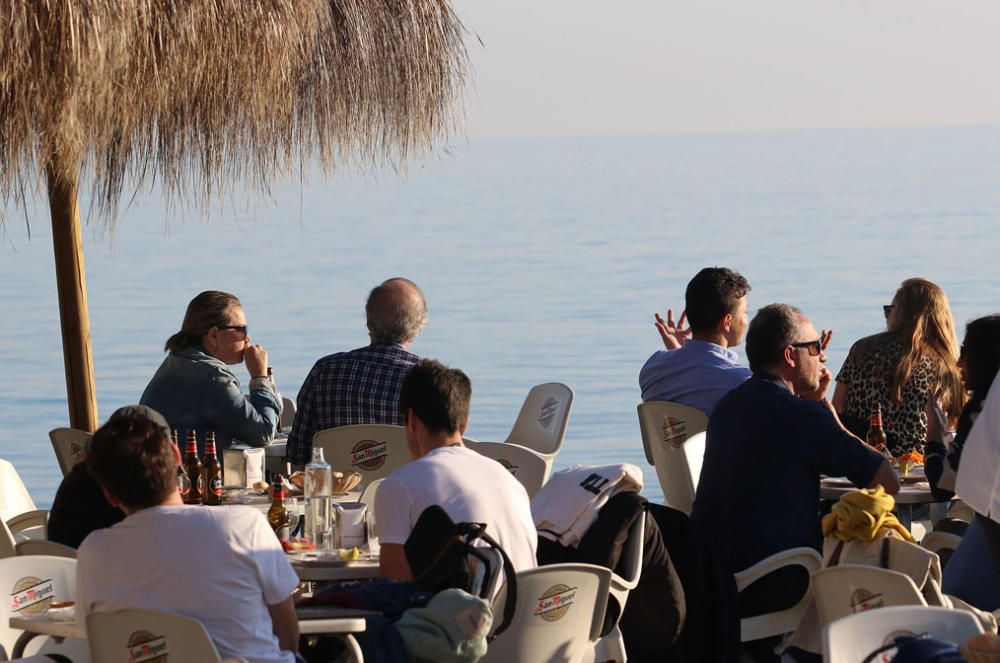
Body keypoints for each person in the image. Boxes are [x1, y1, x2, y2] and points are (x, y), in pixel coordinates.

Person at [691, 303, 898, 658]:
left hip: (711, 576)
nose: (821, 358)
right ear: (790, 355)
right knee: (874, 538)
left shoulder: (729, 406)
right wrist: (825, 407)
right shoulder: (802, 416)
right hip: (773, 580)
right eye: (815, 348)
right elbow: (887, 479)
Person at [76, 405, 301, 663]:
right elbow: (288, 634)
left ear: (110, 495)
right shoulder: (243, 526)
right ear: (176, 455)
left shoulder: (94, 551)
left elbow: (92, 637)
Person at [375, 359, 538, 581]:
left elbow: (392, 587)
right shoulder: (509, 480)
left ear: (411, 419)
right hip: (525, 612)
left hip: (469, 615)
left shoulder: (400, 485)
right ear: (465, 424)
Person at [287, 278, 427, 466]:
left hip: (336, 494)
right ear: (419, 326)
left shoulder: (324, 371)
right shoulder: (428, 381)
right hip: (405, 493)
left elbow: (297, 453)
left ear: (369, 321)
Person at [833, 278, 965, 457]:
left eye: (890, 311)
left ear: (900, 314)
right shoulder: (945, 364)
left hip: (860, 457)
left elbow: (837, 408)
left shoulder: (862, 349)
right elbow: (954, 422)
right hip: (918, 462)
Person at [140, 290, 280, 454]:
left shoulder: (175, 362)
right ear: (214, 335)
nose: (247, 339)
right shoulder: (213, 377)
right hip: (192, 476)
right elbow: (263, 433)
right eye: (241, 330)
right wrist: (260, 377)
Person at [925, 315, 1000, 610]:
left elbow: (943, 485)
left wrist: (934, 432)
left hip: (988, 524)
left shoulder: (982, 408)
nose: (958, 363)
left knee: (951, 605)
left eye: (966, 352)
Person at [639, 267, 753, 415]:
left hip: (665, 439)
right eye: (744, 312)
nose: (746, 320)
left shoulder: (652, 370)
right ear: (727, 321)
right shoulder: (742, 384)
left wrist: (681, 354)